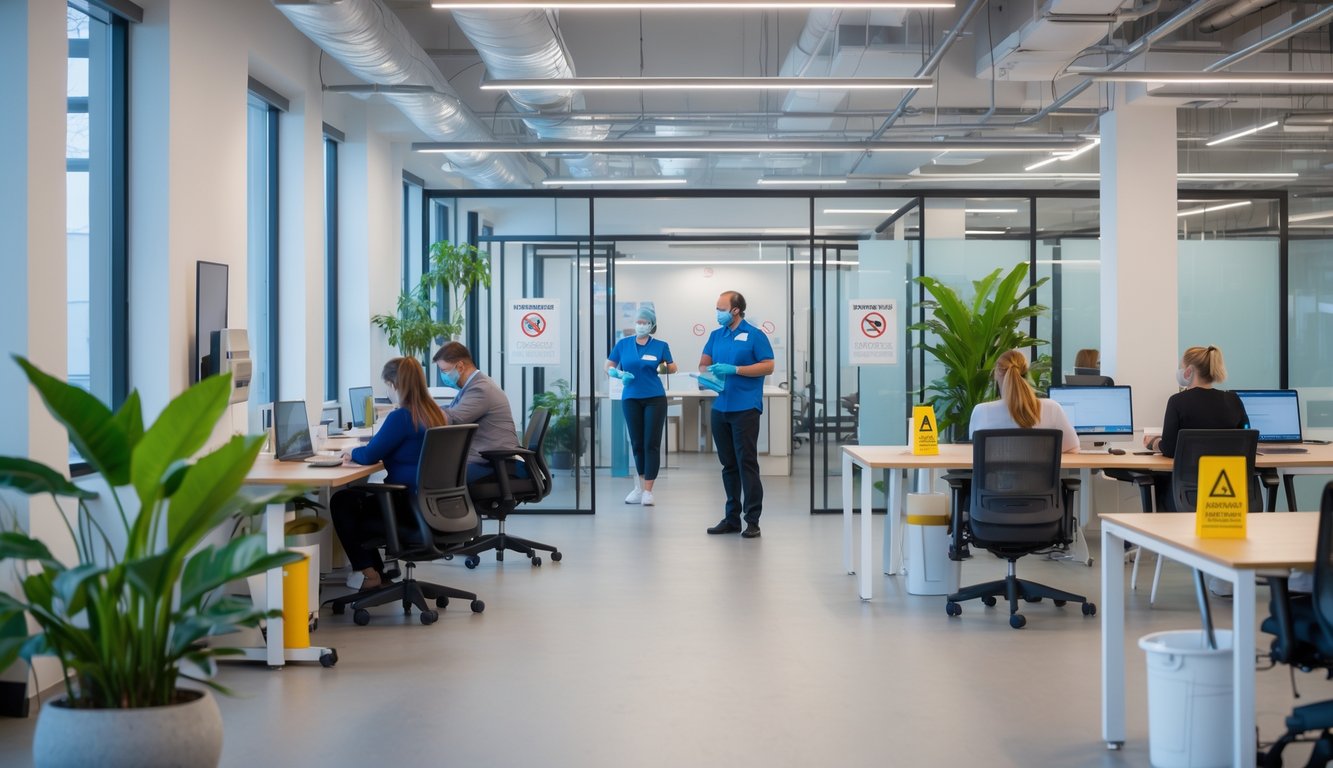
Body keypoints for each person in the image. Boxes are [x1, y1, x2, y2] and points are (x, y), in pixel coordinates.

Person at [330, 357, 445, 590]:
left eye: (387, 386)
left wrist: (350, 451)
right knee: (354, 497)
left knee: (342, 501)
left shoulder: (401, 417)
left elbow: (369, 455)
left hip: (407, 506)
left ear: (394, 385)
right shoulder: (435, 414)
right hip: (432, 505)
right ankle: (377, 573)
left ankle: (370, 574)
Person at [700, 290, 774, 538]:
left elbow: (768, 365)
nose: (717, 313)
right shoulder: (716, 335)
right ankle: (731, 518)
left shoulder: (755, 335)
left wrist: (736, 369)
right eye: (717, 308)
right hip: (721, 408)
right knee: (728, 465)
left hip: (745, 408)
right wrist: (708, 375)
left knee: (746, 464)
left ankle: (752, 520)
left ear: (736, 310)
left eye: (721, 309)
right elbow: (704, 363)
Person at [607, 306, 677, 506]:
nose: (641, 325)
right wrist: (617, 373)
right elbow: (609, 365)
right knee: (637, 443)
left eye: (645, 322)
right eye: (638, 322)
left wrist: (663, 367)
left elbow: (673, 367)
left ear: (652, 325)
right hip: (631, 398)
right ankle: (639, 487)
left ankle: (648, 491)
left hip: (654, 398)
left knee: (651, 444)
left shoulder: (660, 345)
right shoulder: (623, 344)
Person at [433, 341, 522, 484]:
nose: (443, 375)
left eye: (444, 371)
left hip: (494, 464)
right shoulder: (472, 386)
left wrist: (424, 410)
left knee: (434, 478)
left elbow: (454, 419)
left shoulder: (481, 389)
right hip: (486, 458)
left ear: (460, 366)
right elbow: (452, 410)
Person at [969, 349, 1080, 453]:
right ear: (1026, 373)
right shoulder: (1052, 408)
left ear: (996, 374)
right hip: (1038, 469)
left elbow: (974, 453)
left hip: (995, 469)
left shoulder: (981, 411)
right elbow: (1073, 449)